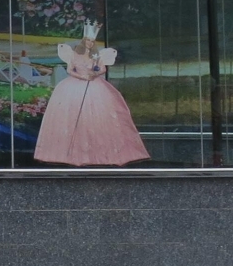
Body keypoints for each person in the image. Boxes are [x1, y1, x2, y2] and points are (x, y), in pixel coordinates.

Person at [31, 21, 149, 167]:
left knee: (99, 115)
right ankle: (68, 153)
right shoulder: (75, 55)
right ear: (83, 41)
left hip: (94, 85)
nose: (89, 43)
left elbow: (103, 69)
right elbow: (70, 70)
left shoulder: (96, 56)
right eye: (87, 41)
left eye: (92, 42)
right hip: (74, 86)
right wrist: (82, 76)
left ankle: (99, 153)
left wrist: (94, 73)